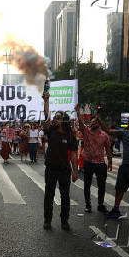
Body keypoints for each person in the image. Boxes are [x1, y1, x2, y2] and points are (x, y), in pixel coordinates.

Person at [42, 92, 78, 231]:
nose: (55, 119)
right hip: (51, 168)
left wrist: (75, 171)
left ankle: (64, 221)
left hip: (64, 170)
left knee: (65, 196)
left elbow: (74, 155)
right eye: (55, 117)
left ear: (64, 120)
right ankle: (47, 220)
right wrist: (46, 100)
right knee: (49, 195)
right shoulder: (51, 130)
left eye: (58, 117)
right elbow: (46, 116)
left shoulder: (70, 136)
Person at [75, 105, 112, 214]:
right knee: (87, 184)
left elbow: (108, 149)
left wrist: (109, 162)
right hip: (89, 162)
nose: (93, 123)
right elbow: (81, 123)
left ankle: (100, 204)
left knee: (102, 185)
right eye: (92, 121)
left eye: (96, 121)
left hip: (100, 163)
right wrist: (77, 112)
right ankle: (88, 205)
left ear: (99, 124)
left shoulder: (104, 135)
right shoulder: (86, 131)